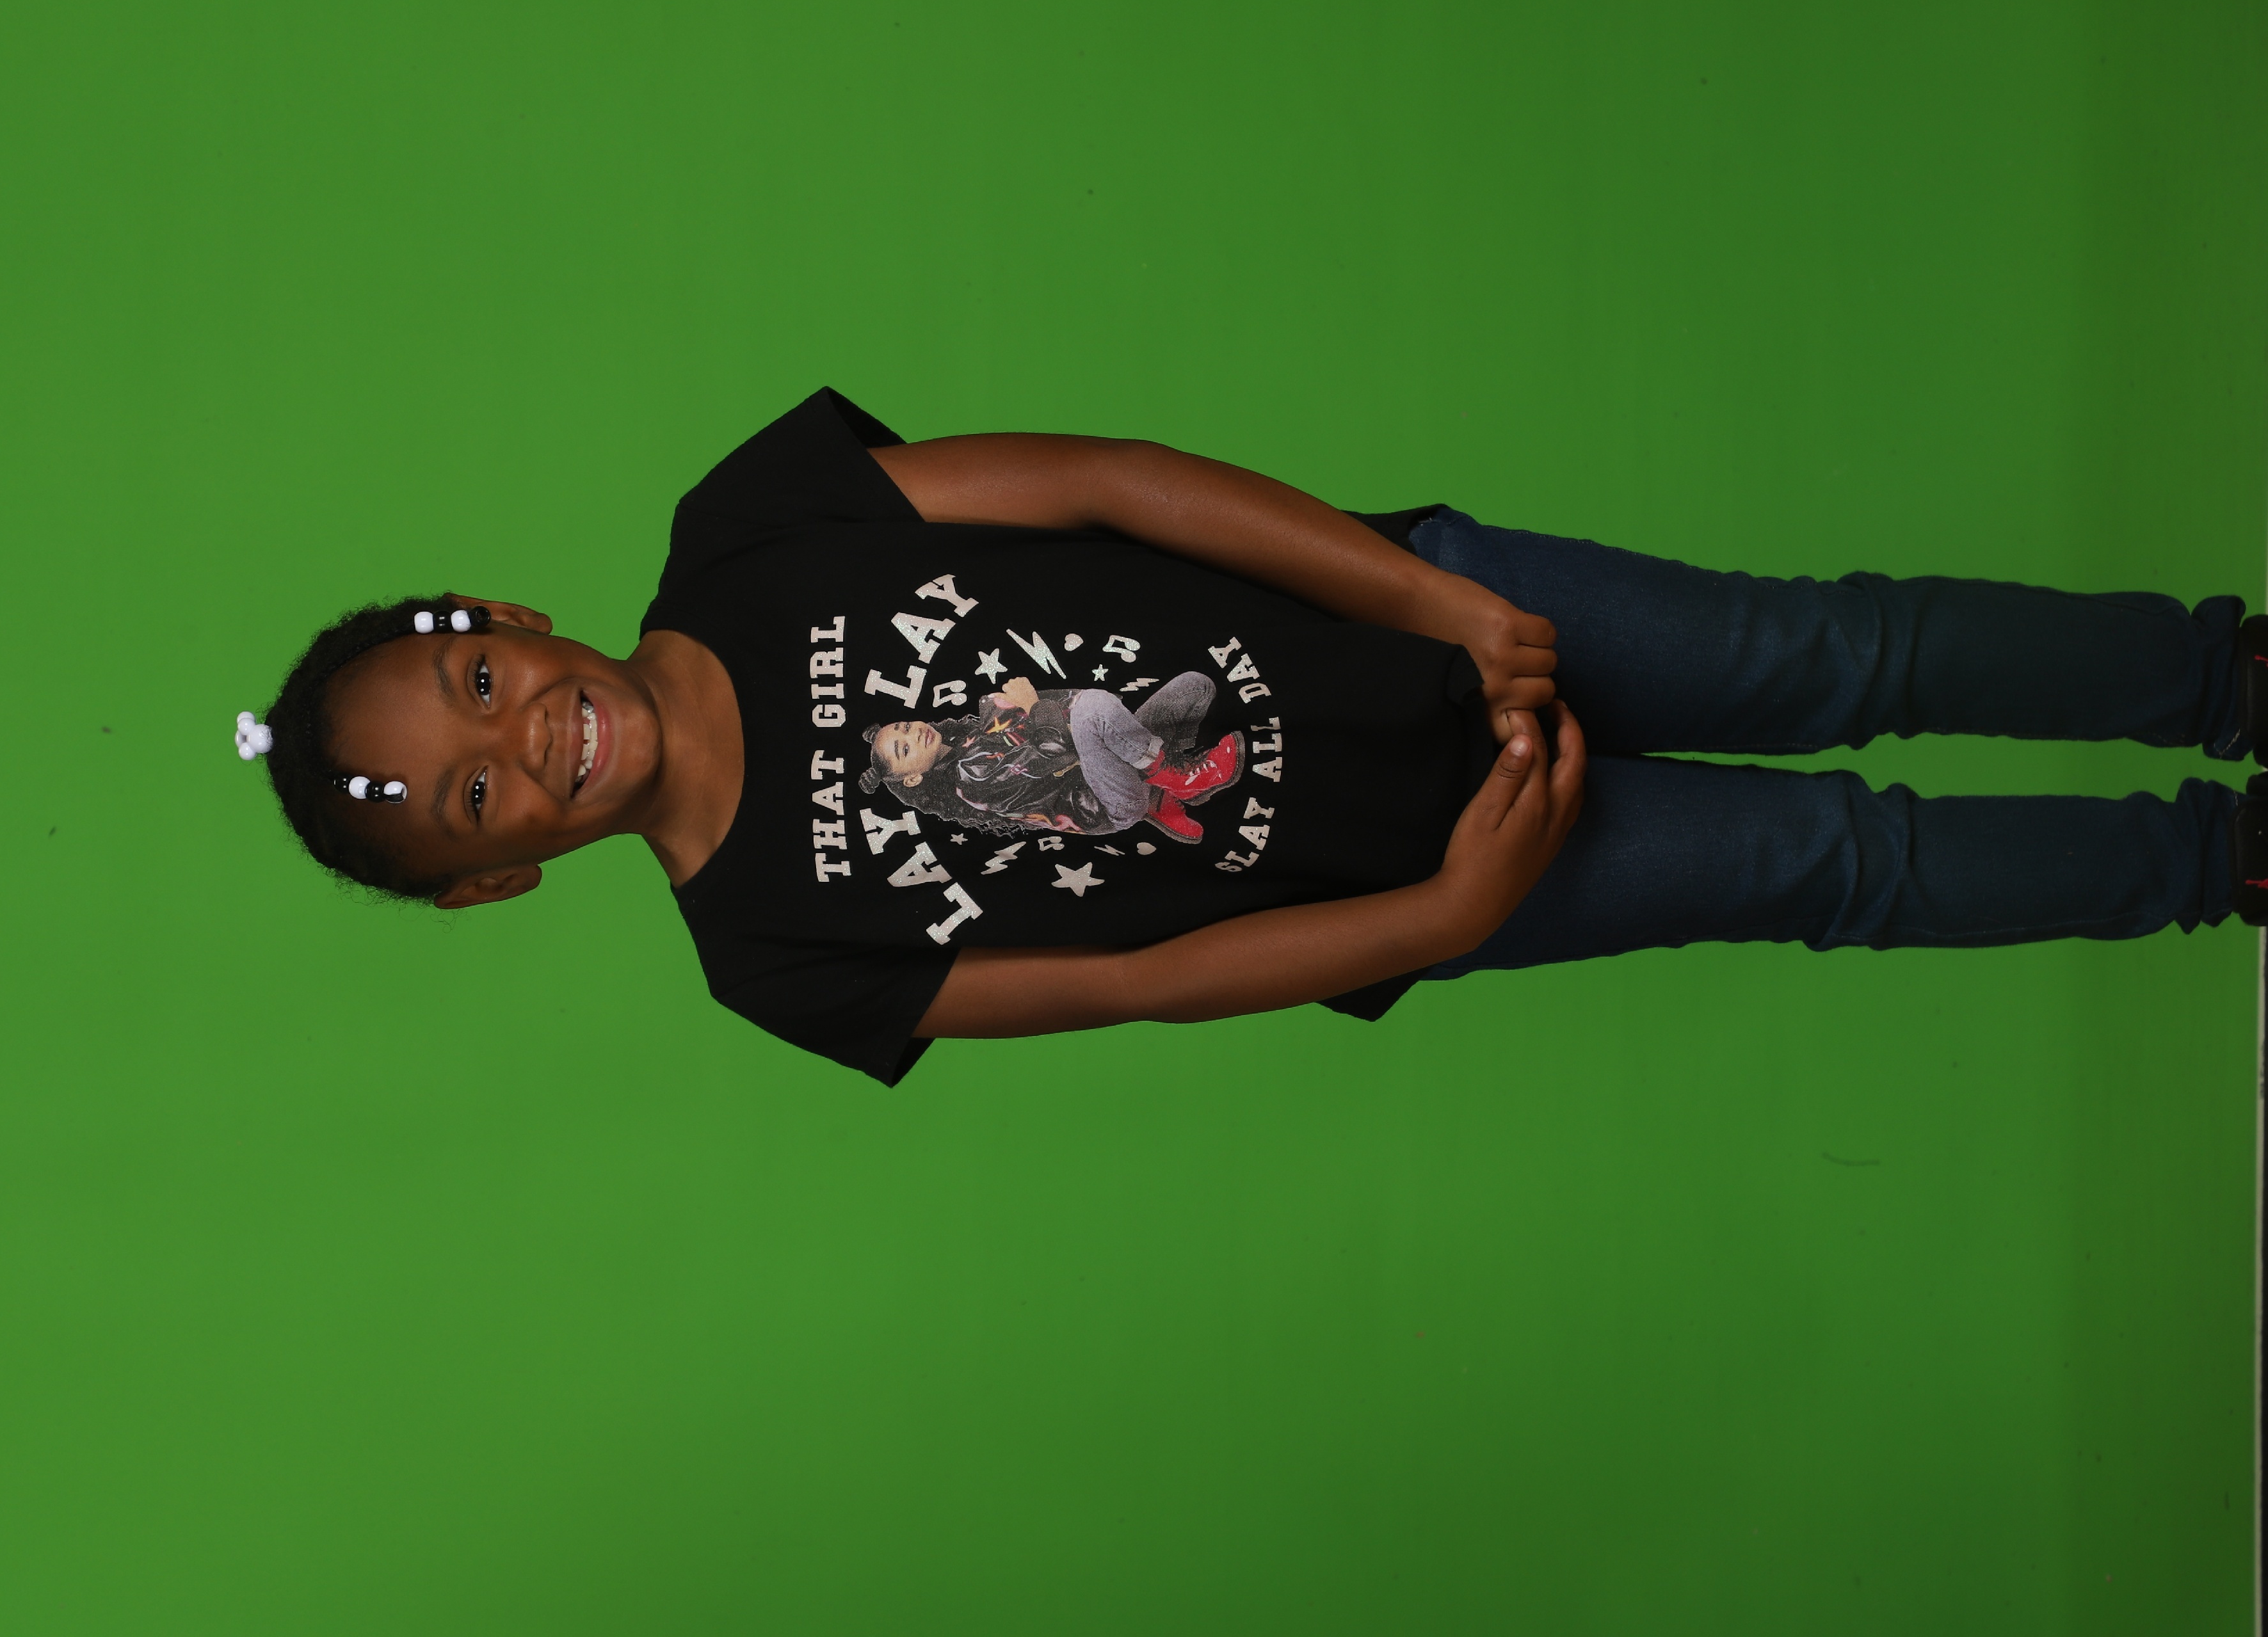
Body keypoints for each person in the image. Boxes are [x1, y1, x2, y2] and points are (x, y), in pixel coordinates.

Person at [237, 388, 2268, 1085]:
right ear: (501, 875)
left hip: (1431, 618)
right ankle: (2211, 863)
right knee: (1839, 864)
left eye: (479, 687)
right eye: (476, 795)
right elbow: (1143, 979)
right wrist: (1439, 922)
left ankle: (2225, 678)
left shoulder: (753, 526)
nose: (527, 739)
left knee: (1832, 651)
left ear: (505, 616)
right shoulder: (774, 957)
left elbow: (1109, 483)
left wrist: (1438, 600)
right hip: (1435, 871)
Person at [858, 672, 1244, 842]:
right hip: (1107, 803)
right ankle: (1179, 779)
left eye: (905, 727)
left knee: (1195, 686)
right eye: (904, 749)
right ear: (913, 779)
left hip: (1111, 765)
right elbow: (1059, 748)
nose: (914, 734)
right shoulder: (970, 780)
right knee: (1093, 710)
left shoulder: (979, 727)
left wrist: (1027, 707)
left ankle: (1158, 790)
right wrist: (1033, 706)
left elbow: (1070, 705)